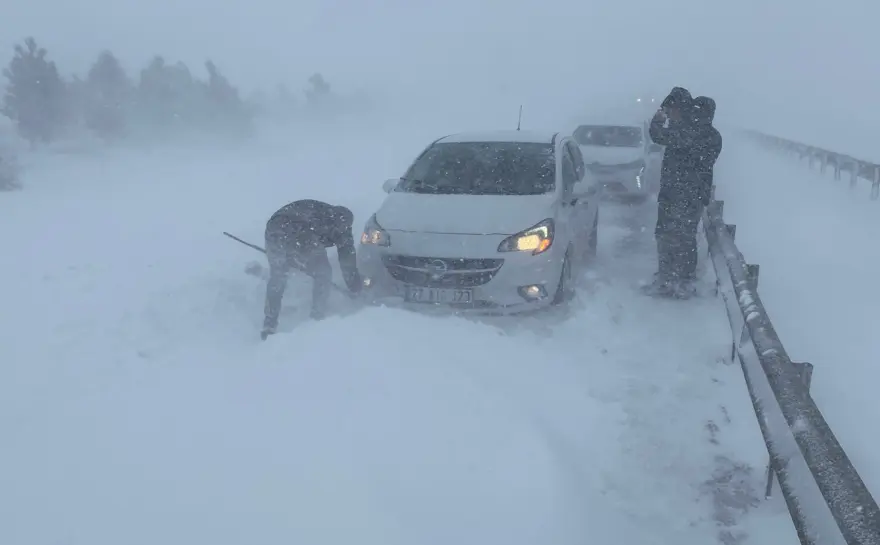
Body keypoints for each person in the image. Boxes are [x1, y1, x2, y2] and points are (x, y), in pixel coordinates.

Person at [644, 87, 722, 298]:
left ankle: (678, 281)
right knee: (672, 235)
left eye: (672, 110)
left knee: (678, 236)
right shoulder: (705, 134)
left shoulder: (695, 133)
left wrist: (658, 120)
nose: (671, 114)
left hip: (684, 194)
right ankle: (671, 278)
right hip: (682, 193)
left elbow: (658, 136)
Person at [261, 199, 362, 340]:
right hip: (295, 230)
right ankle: (316, 318)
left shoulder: (328, 216)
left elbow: (346, 259)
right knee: (323, 273)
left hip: (275, 228)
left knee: (278, 275)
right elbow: (346, 260)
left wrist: (354, 285)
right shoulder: (331, 222)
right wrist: (355, 287)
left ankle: (269, 323)